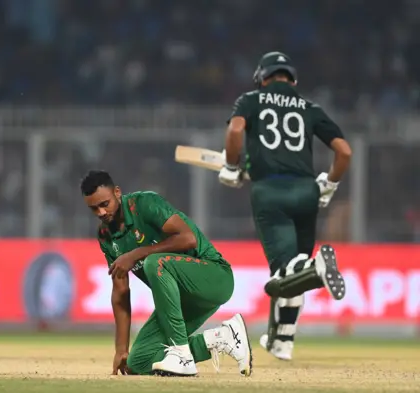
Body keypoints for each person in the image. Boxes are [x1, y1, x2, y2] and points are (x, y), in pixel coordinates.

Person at [218, 51, 352, 361]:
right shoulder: (310, 107)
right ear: (292, 79)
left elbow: (236, 131)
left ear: (262, 78)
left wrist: (231, 165)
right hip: (307, 191)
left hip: (270, 191)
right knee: (292, 274)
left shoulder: (251, 100)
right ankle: (282, 340)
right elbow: (344, 152)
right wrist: (329, 184)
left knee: (285, 271)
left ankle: (315, 268)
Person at [80, 170, 252, 377]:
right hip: (182, 300)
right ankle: (222, 337)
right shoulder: (106, 236)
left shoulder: (144, 204)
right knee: (139, 362)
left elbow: (188, 239)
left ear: (117, 192)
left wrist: (136, 254)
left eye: (104, 204)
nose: (100, 213)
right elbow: (120, 292)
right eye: (93, 209)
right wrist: (121, 349)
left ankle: (182, 354)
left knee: (154, 263)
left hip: (215, 277)